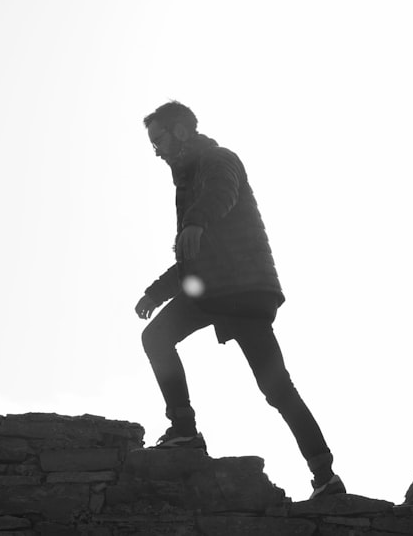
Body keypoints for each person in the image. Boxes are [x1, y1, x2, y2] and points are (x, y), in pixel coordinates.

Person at [134, 101, 345, 499]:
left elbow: (221, 194)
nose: (157, 151)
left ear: (181, 131)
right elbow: (190, 254)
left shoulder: (218, 159)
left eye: (159, 139)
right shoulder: (186, 181)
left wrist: (195, 220)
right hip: (215, 289)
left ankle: (325, 477)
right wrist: (155, 292)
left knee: (277, 389)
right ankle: (184, 430)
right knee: (155, 338)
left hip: (242, 290)